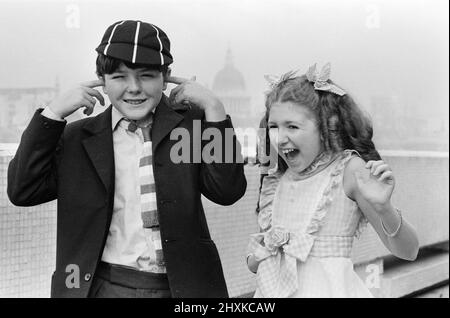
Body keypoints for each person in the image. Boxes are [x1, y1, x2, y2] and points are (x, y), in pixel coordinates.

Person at [7, 20, 247, 298]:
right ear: (101, 79)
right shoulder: (77, 138)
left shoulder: (189, 129)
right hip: (101, 285)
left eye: (146, 75)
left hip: (181, 287)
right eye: (119, 77)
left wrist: (215, 111)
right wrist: (52, 114)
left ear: (166, 77)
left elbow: (228, 191)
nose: (133, 88)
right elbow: (22, 190)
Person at [246, 63, 419, 297]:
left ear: (327, 126)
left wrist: (384, 208)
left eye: (293, 126)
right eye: (274, 127)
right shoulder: (276, 177)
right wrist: (261, 254)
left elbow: (408, 251)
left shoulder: (348, 170)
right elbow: (258, 258)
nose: (281, 138)